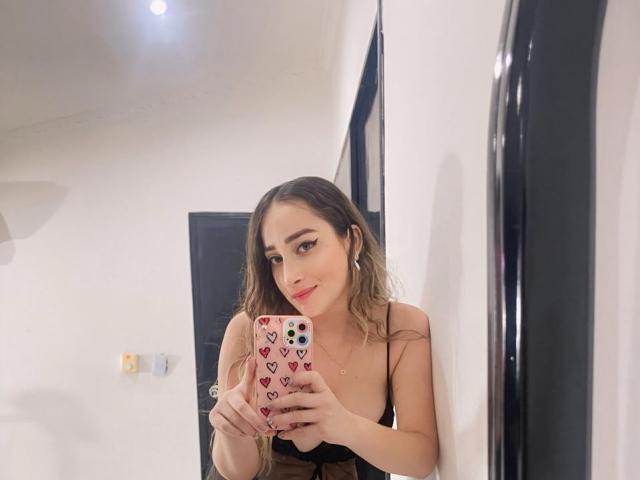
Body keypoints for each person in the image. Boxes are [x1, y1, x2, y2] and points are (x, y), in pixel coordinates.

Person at [208, 176, 438, 479]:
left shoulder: (401, 328)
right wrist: (231, 430)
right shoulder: (248, 330)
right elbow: (238, 473)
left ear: (352, 240)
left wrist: (342, 424)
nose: (289, 276)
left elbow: (420, 459)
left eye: (305, 245)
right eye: (275, 259)